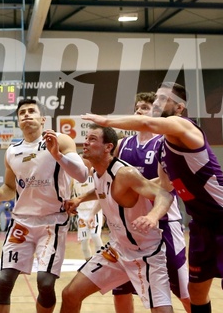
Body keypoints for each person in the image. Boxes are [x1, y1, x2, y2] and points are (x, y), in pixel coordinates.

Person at [82, 82, 223, 313]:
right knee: (195, 295)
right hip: (200, 225)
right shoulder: (163, 148)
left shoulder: (186, 127)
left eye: (163, 99)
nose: (156, 103)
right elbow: (163, 187)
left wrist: (105, 122)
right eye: (155, 99)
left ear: (179, 108)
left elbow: (147, 122)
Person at [0, 98, 89, 313]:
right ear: (18, 121)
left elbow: (82, 175)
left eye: (31, 111)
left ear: (42, 119)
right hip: (22, 222)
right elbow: (9, 188)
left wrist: (57, 155)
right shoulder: (12, 152)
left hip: (53, 222)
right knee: (4, 280)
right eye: (22, 113)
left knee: (46, 283)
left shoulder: (61, 140)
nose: (26, 115)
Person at [61, 124, 174, 313]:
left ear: (108, 147)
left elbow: (165, 195)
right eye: (86, 138)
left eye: (92, 139)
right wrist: (80, 198)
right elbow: (102, 190)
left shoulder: (125, 173)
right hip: (117, 250)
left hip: (146, 253)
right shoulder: (98, 172)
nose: (86, 143)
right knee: (70, 294)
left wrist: (152, 216)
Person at [112, 92, 191, 313]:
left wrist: (135, 185)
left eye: (144, 108)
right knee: (121, 288)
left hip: (164, 221)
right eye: (137, 108)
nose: (139, 112)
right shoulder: (122, 144)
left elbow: (169, 182)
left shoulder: (166, 141)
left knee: (182, 288)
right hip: (130, 226)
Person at [70, 175, 104, 260]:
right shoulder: (73, 178)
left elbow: (100, 193)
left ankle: (101, 260)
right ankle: (88, 263)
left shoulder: (94, 174)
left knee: (95, 235)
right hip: (81, 212)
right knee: (84, 242)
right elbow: (70, 195)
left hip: (94, 210)